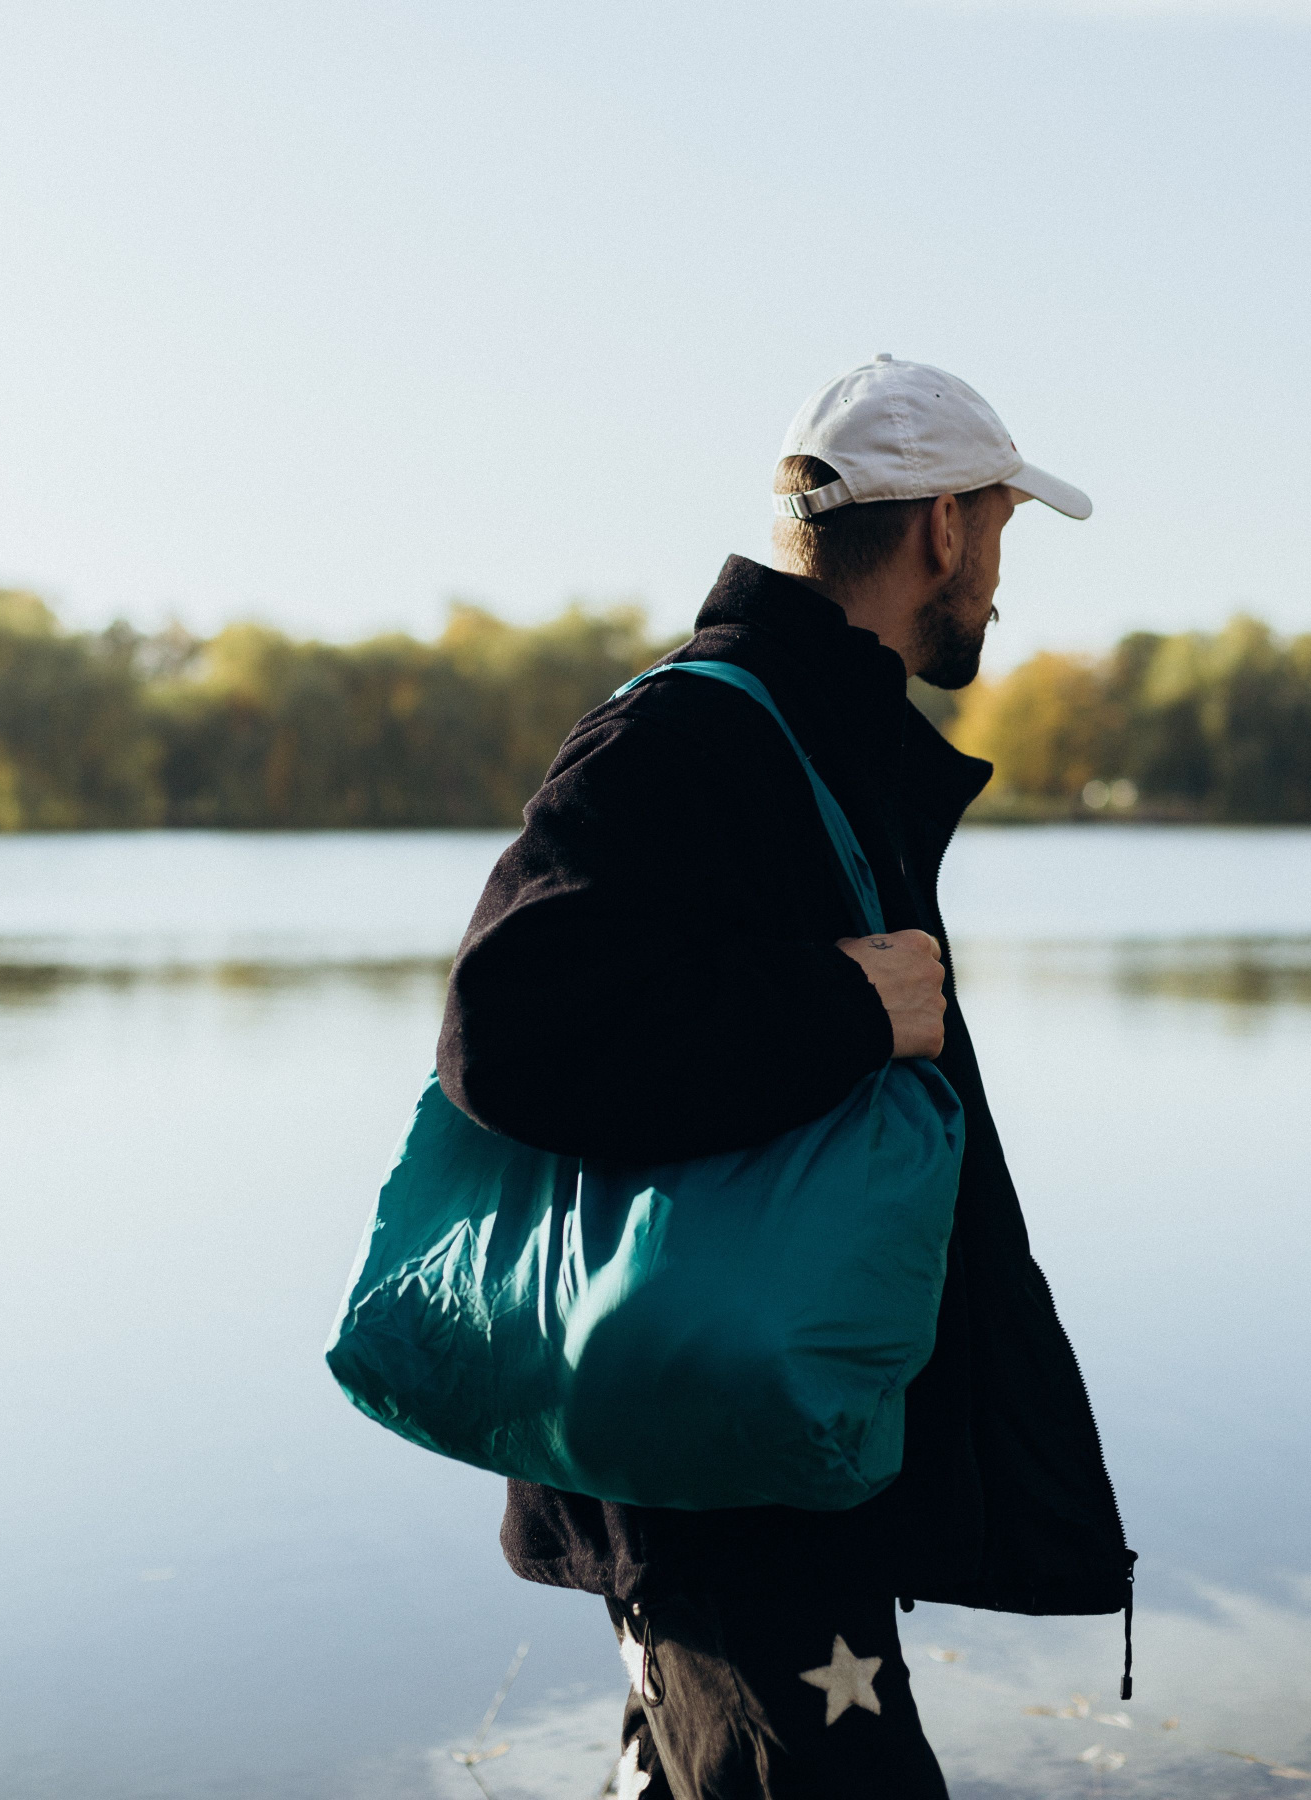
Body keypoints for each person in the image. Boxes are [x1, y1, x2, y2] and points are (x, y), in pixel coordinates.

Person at [437, 356, 1135, 1799]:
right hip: (715, 1477)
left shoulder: (807, 733)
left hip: (759, 1443)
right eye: (999, 530)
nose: (997, 580)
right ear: (941, 527)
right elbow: (504, 1036)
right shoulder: (690, 730)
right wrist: (838, 1008)